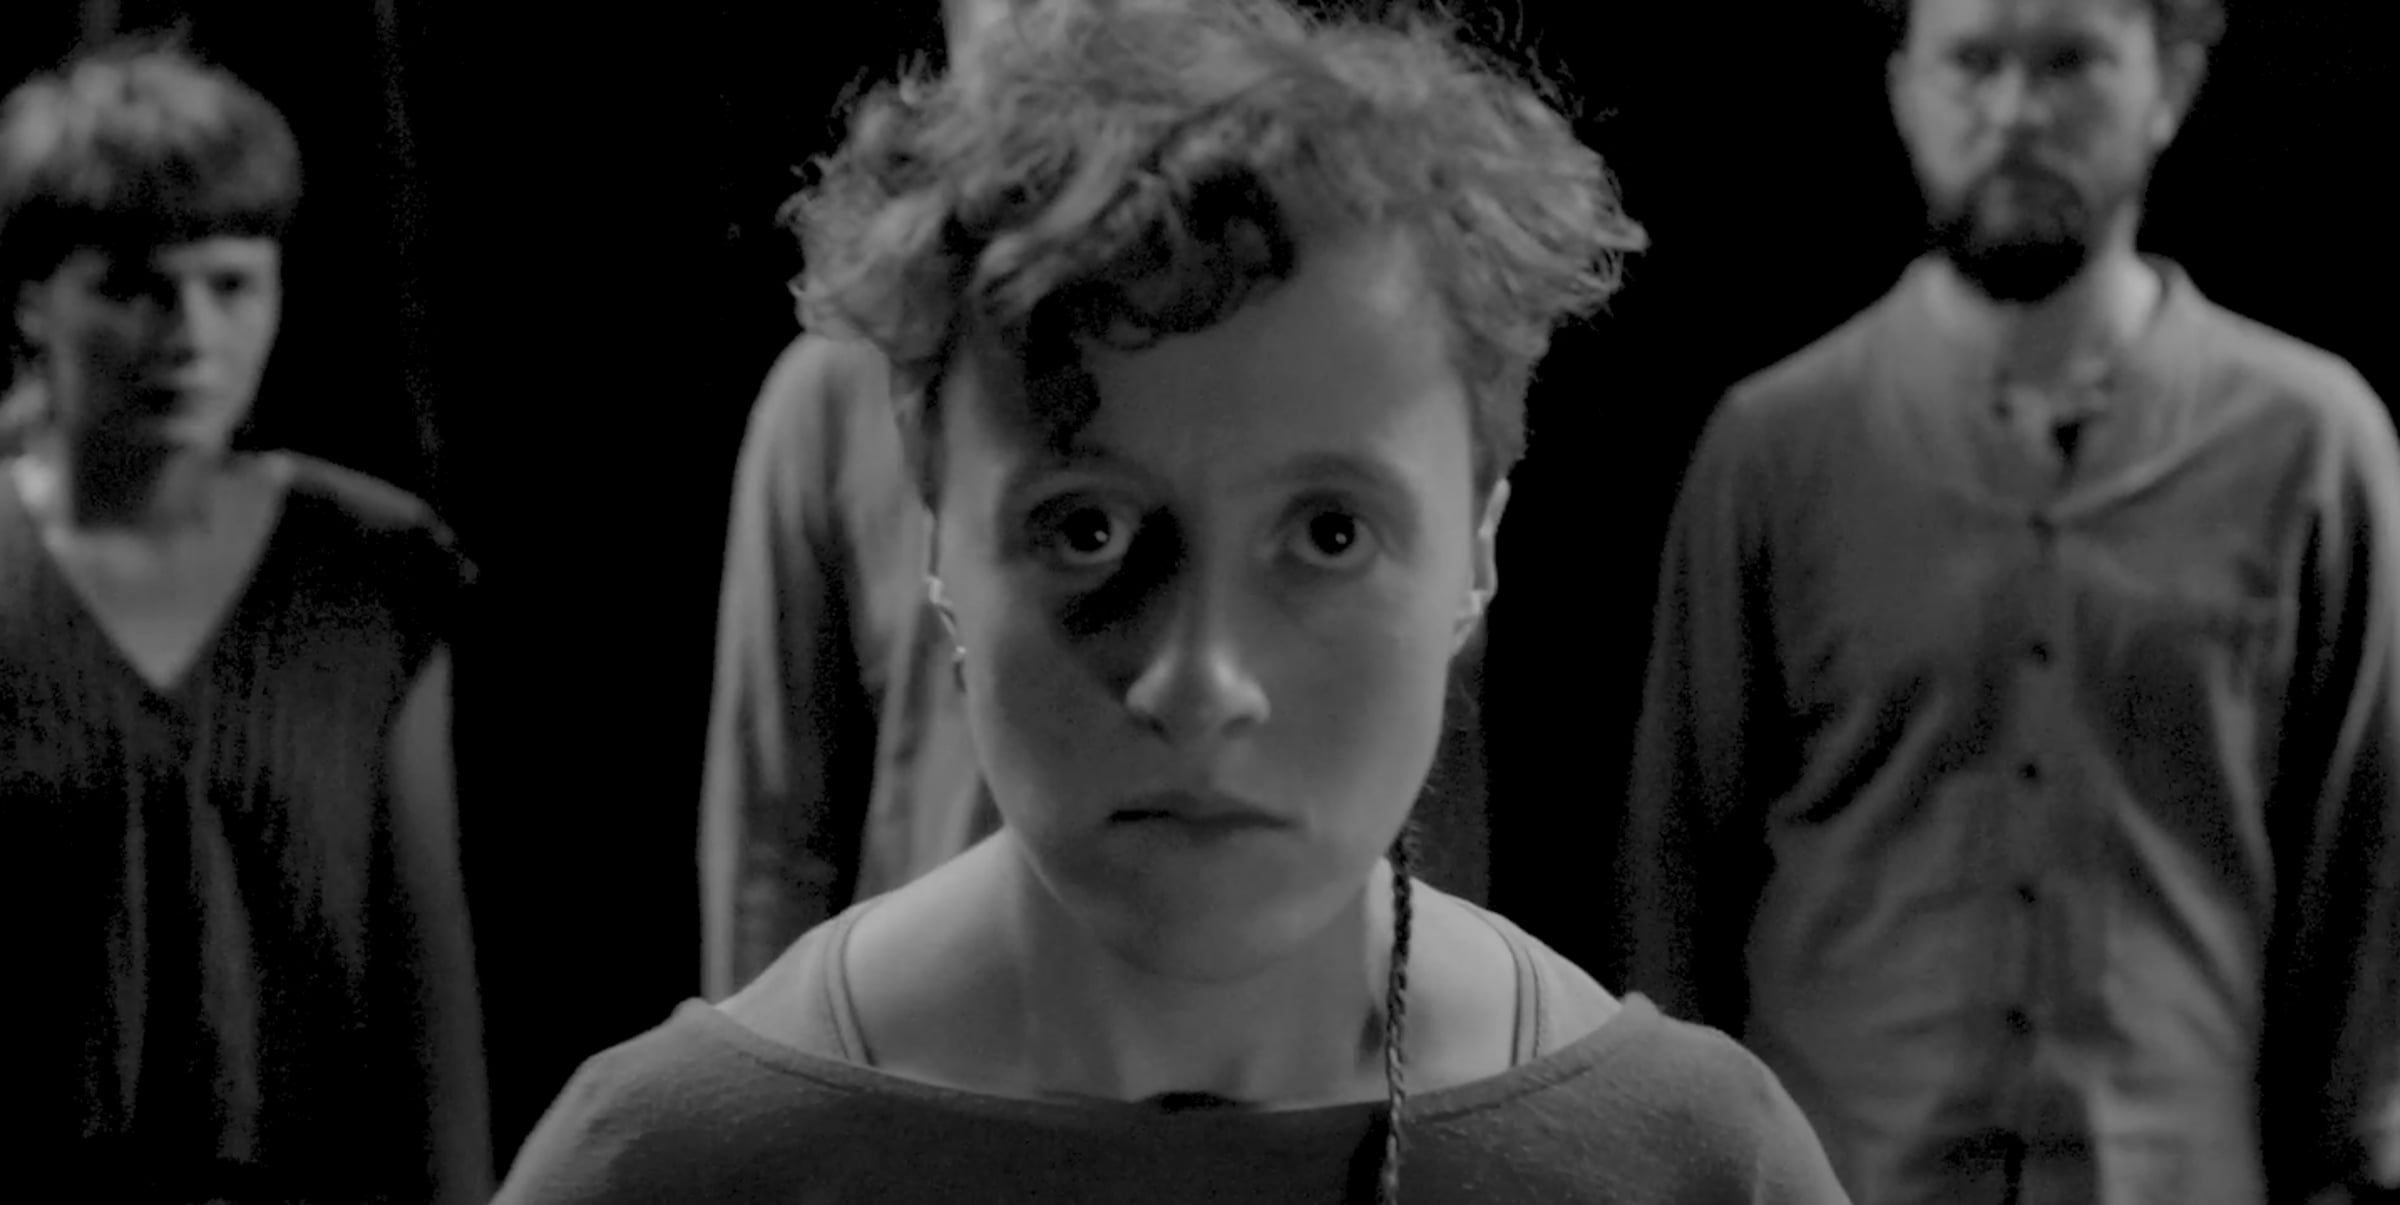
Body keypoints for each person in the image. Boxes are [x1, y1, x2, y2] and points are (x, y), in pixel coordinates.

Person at [496, 1, 1851, 1201]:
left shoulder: (1692, 1166)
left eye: (1329, 532)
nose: (1201, 682)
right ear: (939, 532)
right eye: (1085, 527)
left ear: (1478, 550)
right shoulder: (665, 1166)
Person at [1617, 0, 2400, 1201]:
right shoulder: (1774, 444)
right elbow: (1677, 864)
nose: (2018, 112)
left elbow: (2369, 874)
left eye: (2069, 61)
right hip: (1835, 1172)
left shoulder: (2312, 444)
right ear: (1903, 88)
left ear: (2170, 84)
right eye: (1973, 62)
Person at [698, 0, 1495, 1004]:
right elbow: (776, 834)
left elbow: (1426, 778)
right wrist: (769, 1074)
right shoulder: (827, 402)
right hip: (944, 1039)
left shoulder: (1340, 346)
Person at [1, 43, 493, 1203]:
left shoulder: (369, 568)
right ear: (32, 298)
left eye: (231, 285)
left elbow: (429, 981)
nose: (190, 334)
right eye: (135, 287)